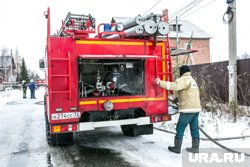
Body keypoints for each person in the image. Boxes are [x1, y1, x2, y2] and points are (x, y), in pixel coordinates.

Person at [155, 65, 202, 154]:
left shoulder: (184, 79)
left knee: (180, 127)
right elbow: (188, 92)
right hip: (196, 108)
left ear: (182, 72)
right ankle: (195, 148)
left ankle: (177, 148)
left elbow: (174, 86)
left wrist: (159, 82)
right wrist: (176, 99)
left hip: (188, 109)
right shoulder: (192, 80)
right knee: (194, 128)